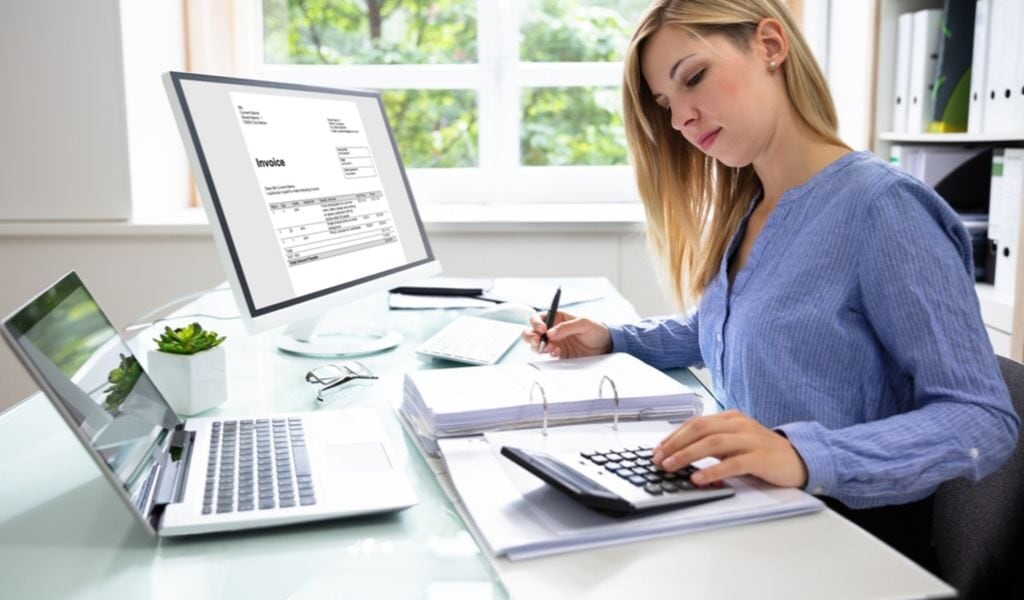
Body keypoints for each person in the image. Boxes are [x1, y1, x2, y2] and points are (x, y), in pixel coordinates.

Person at [524, 0, 1019, 571]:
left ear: (770, 46)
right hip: (752, 513)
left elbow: (982, 416)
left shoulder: (882, 209)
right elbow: (740, 325)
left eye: (694, 78)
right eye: (666, 104)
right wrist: (614, 337)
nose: (682, 117)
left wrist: (803, 454)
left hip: (841, 546)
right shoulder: (752, 204)